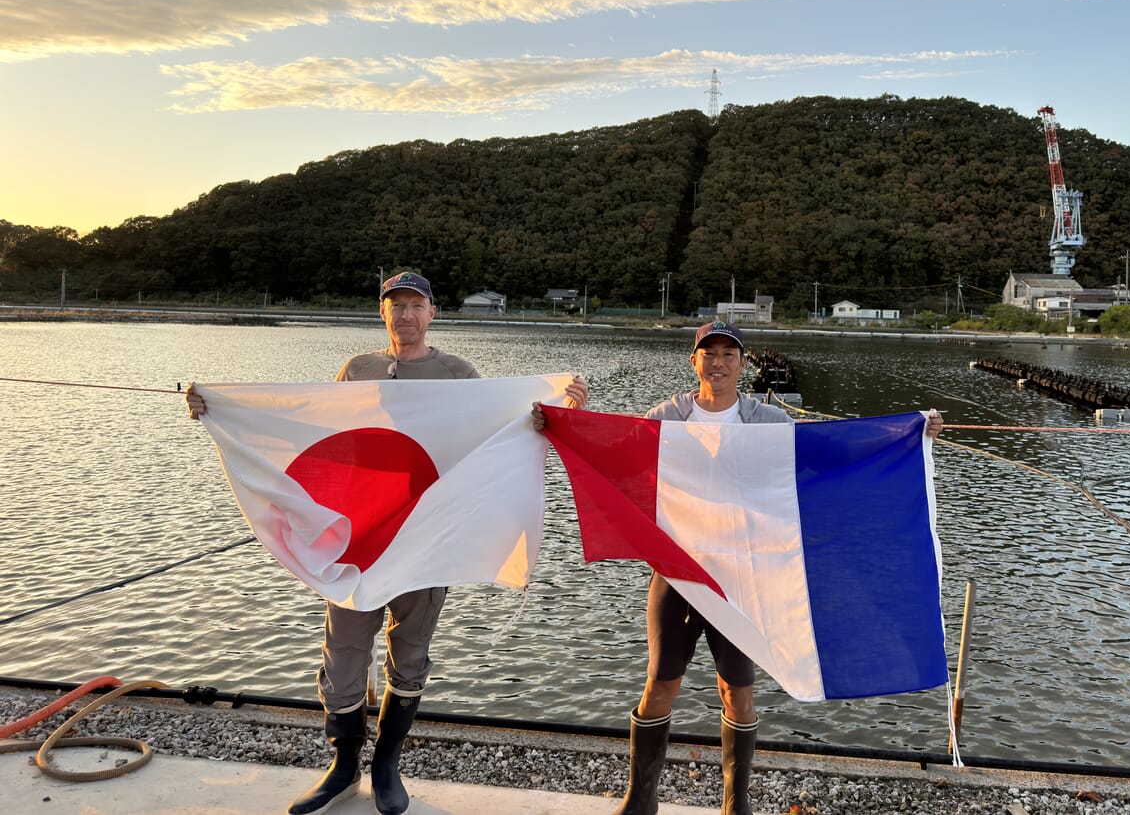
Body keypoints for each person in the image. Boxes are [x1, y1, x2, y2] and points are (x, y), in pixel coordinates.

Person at [186, 270, 587, 815]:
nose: (405, 314)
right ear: (383, 312)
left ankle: (388, 764)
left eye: (415, 305)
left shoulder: (458, 373)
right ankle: (343, 766)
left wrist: (557, 407)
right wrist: (225, 410)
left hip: (429, 536)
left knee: (410, 653)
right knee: (345, 653)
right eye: (394, 305)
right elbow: (318, 430)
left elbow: (505, 428)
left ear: (432, 312)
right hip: (359, 537)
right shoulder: (358, 370)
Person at [612, 321, 943, 815]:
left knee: (737, 691)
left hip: (745, 578)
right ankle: (641, 799)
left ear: (742, 365)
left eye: (729, 354)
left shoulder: (767, 420)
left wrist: (908, 434)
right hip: (678, 573)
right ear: (694, 361)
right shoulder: (667, 416)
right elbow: (617, 456)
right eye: (709, 353)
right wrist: (565, 418)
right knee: (660, 684)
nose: (718, 362)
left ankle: (735, 802)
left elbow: (825, 455)